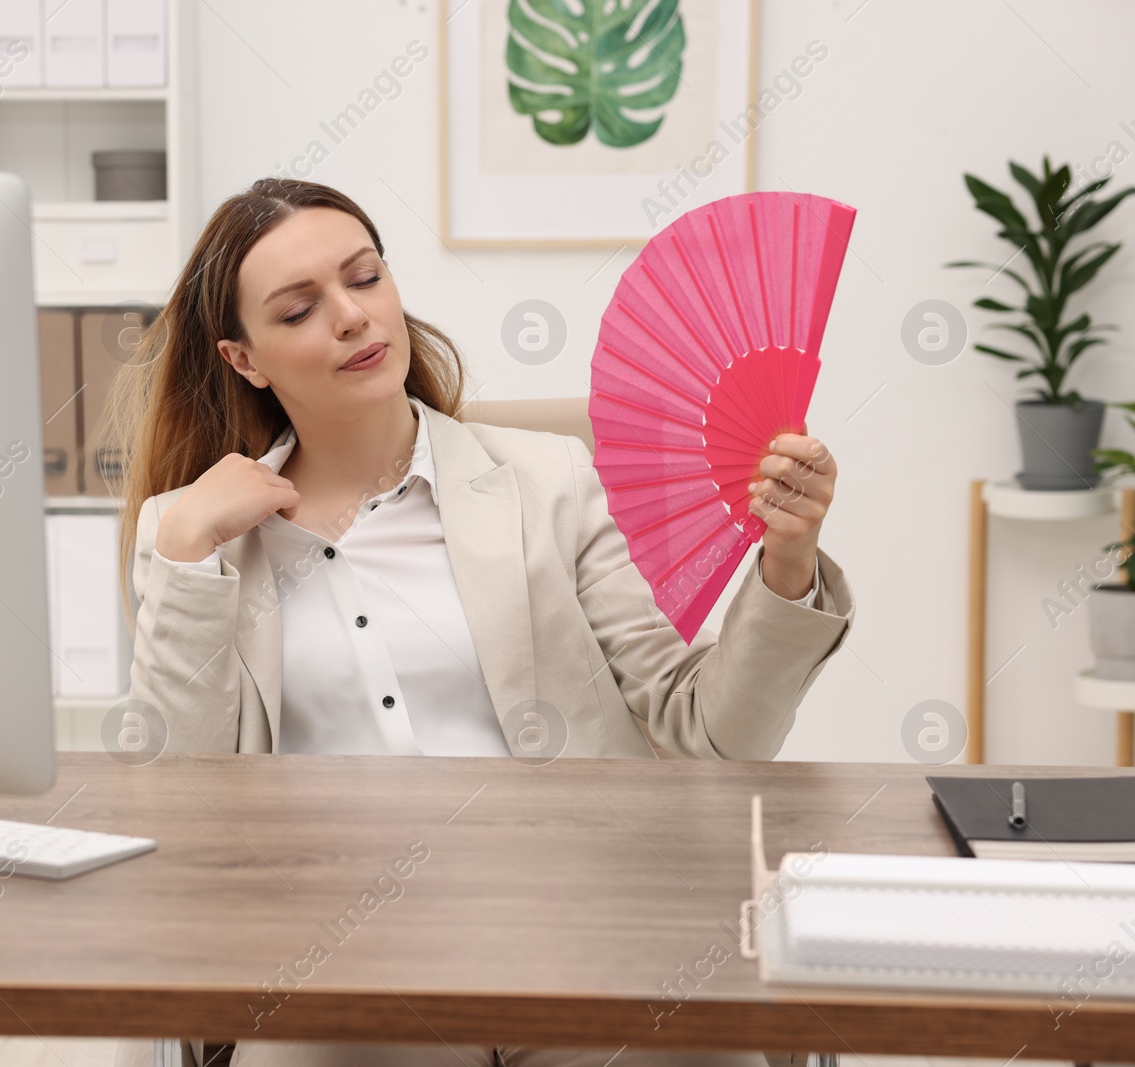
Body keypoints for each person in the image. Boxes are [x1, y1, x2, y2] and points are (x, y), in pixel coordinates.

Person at [106, 178, 855, 1067]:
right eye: (301, 308)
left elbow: (708, 734)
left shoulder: (547, 480)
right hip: (335, 954)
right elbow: (174, 804)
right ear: (244, 359)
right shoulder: (192, 532)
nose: (352, 316)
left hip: (581, 934)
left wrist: (788, 560)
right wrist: (189, 546)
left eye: (366, 277)